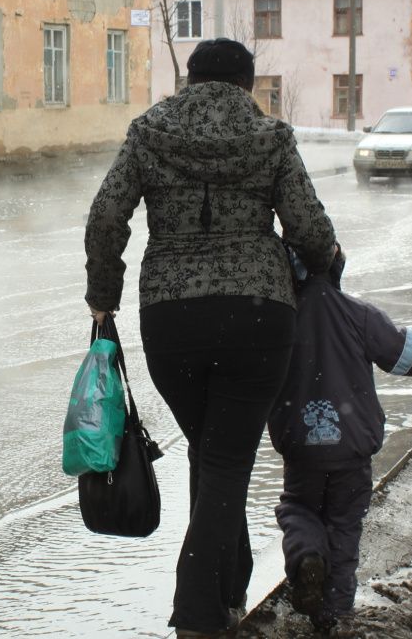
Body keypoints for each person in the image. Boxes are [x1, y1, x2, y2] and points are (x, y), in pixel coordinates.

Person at [84, 38, 338, 637]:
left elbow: (105, 218)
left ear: (189, 81)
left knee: (212, 452)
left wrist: (103, 299)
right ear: (247, 84)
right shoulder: (271, 137)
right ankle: (199, 610)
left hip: (171, 320)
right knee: (225, 459)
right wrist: (326, 258)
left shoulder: (150, 131)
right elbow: (308, 226)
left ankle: (231, 583)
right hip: (258, 316)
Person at [269, 254, 412, 636]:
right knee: (344, 525)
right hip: (351, 450)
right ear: (335, 268)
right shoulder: (358, 315)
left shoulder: (279, 319)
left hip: (301, 450)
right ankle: (333, 613)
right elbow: (407, 356)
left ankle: (306, 555)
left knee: (299, 508)